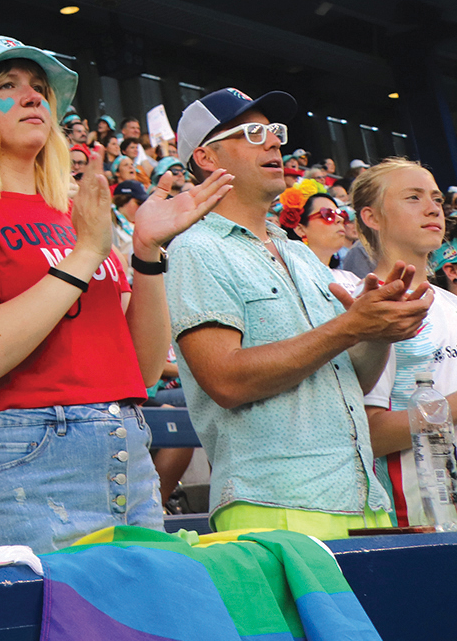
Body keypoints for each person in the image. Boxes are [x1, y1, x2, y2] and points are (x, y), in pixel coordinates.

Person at [0, 36, 234, 552]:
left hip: (124, 443)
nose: (34, 96)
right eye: (6, 87)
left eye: (40, 88)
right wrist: (83, 255)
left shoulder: (71, 214)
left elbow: (145, 369)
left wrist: (147, 252)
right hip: (22, 454)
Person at [165, 89, 429, 539]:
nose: (273, 143)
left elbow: (350, 380)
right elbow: (226, 380)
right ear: (206, 156)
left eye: (275, 132)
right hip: (275, 507)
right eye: (252, 132)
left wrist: (377, 330)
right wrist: (349, 327)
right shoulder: (196, 248)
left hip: (363, 501)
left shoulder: (301, 255)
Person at [317, 161, 453, 528]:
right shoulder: (366, 308)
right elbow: (366, 436)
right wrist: (450, 410)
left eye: (437, 199)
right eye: (413, 198)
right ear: (371, 217)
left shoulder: (451, 305)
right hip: (412, 521)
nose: (432, 208)